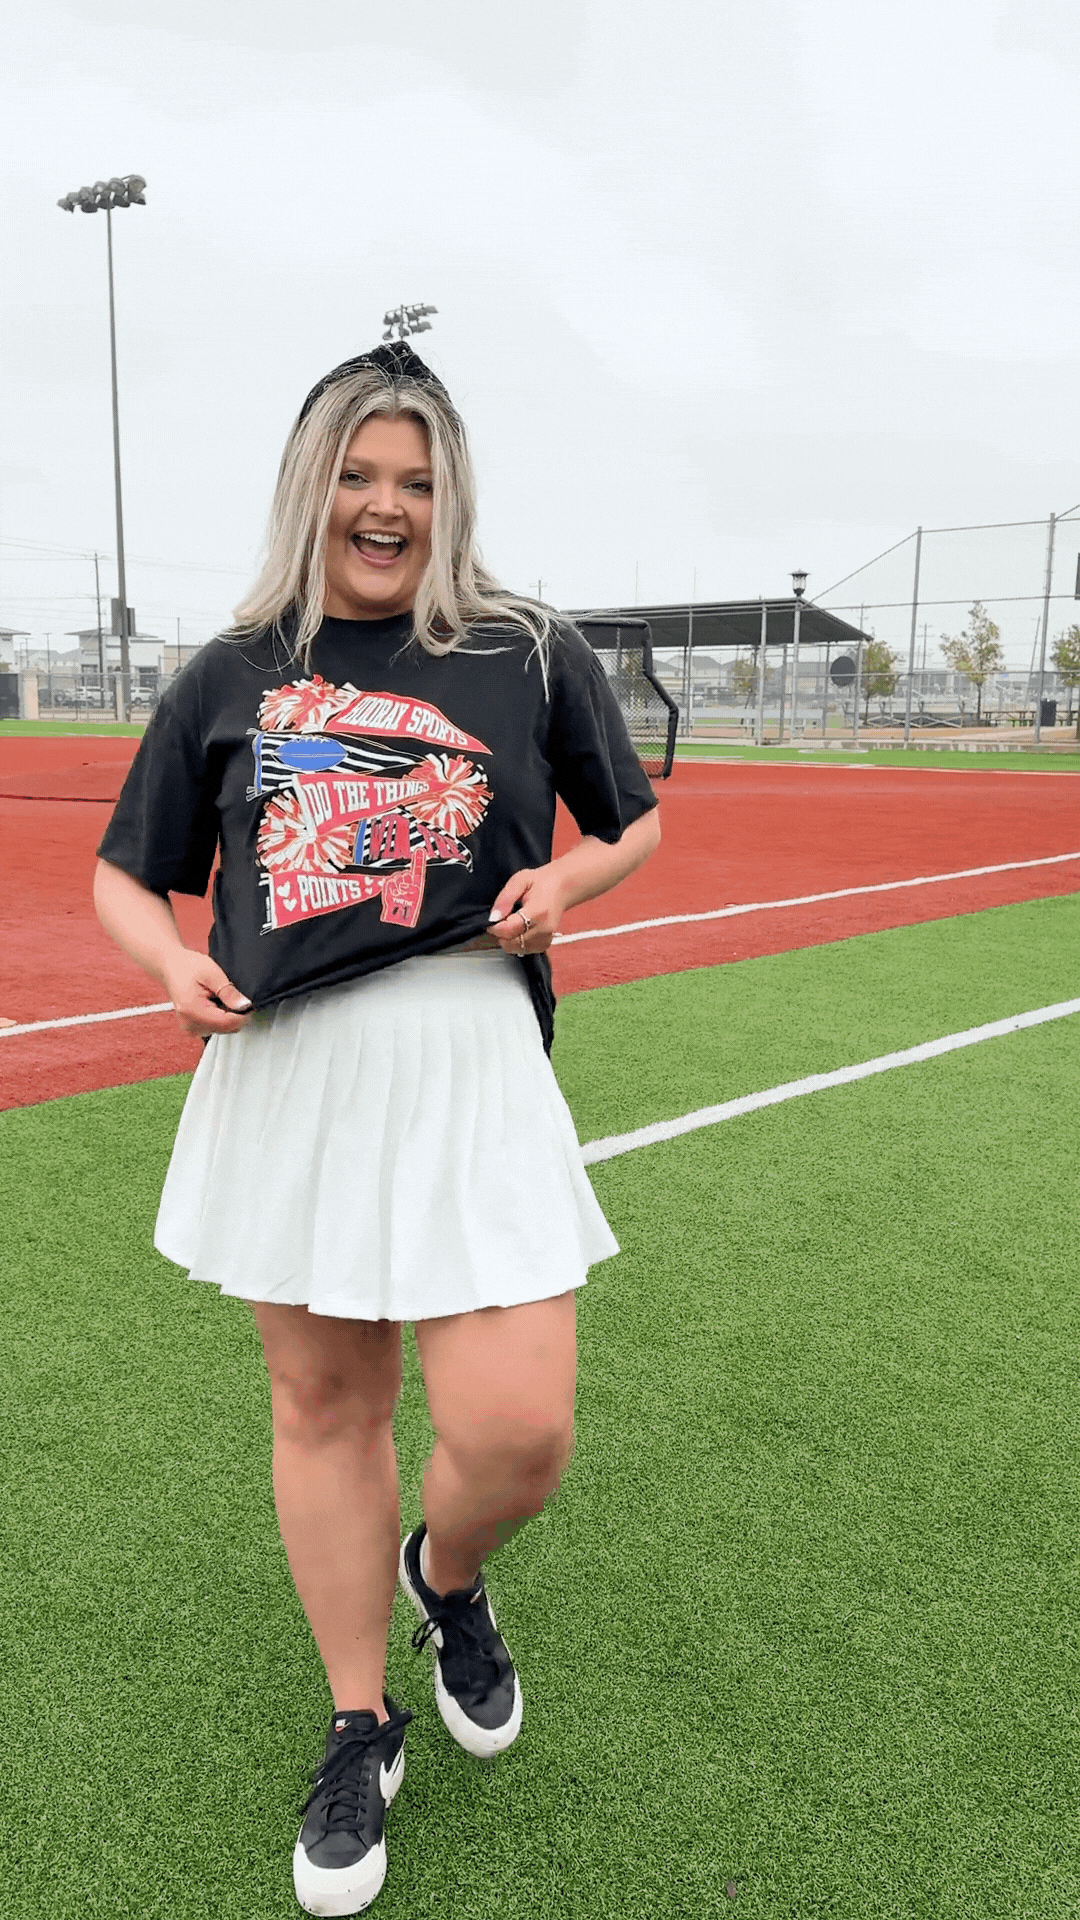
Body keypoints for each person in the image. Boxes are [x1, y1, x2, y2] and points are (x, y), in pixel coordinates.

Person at [94, 340, 661, 1916]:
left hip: (474, 1057)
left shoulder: (527, 650)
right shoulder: (231, 671)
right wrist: (168, 963)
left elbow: (631, 824)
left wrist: (567, 881)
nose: (386, 504)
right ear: (311, 485)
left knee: (519, 1427)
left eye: (415, 477)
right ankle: (359, 1718)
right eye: (357, 473)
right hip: (295, 1071)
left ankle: (446, 1574)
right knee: (327, 1407)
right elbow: (127, 873)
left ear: (450, 493)